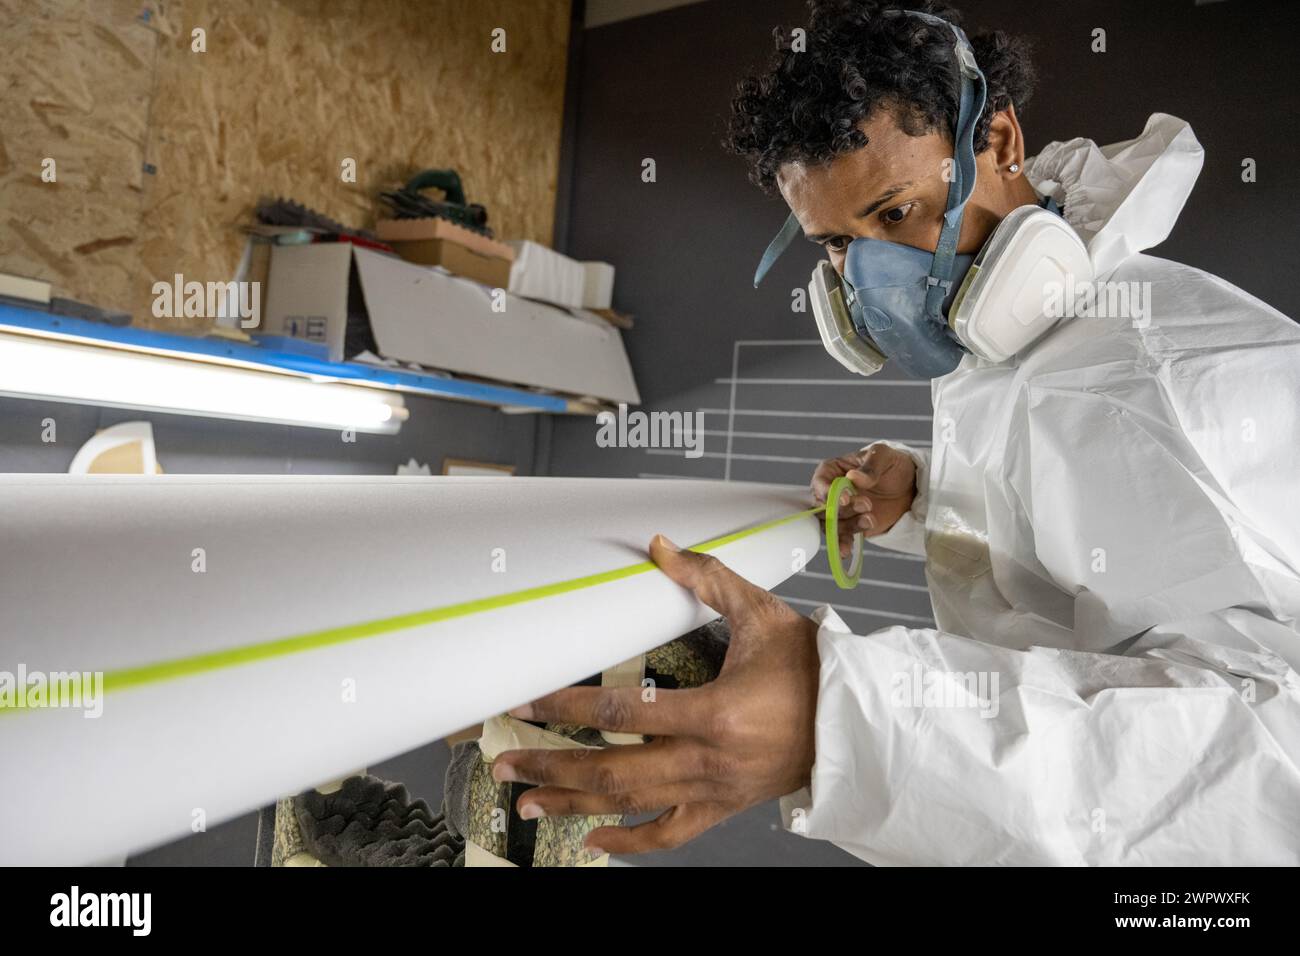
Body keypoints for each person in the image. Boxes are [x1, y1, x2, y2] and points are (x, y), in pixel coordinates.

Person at [491, 0, 1300, 864]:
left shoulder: (1160, 372)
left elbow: (1266, 753)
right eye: (834, 244)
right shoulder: (1033, 337)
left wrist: (840, 722)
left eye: (893, 214)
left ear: (998, 142)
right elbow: (1085, 570)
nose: (872, 275)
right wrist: (927, 496)